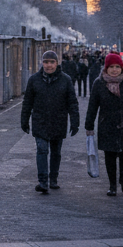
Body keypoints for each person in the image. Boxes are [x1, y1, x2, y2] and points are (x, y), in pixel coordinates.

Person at [85, 52, 123, 196]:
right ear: (106, 68)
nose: (114, 69)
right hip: (107, 125)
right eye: (111, 66)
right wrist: (89, 125)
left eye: (117, 66)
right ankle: (112, 185)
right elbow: (93, 106)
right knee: (109, 157)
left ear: (122, 68)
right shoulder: (99, 84)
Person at [20, 50, 79, 193]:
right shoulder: (34, 80)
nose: (49, 65)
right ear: (42, 63)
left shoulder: (65, 80)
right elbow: (27, 102)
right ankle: (43, 181)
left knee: (56, 152)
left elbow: (72, 102)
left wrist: (75, 121)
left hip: (58, 121)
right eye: (46, 62)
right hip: (40, 121)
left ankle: (53, 179)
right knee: (42, 150)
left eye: (52, 62)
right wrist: (24, 120)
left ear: (57, 63)